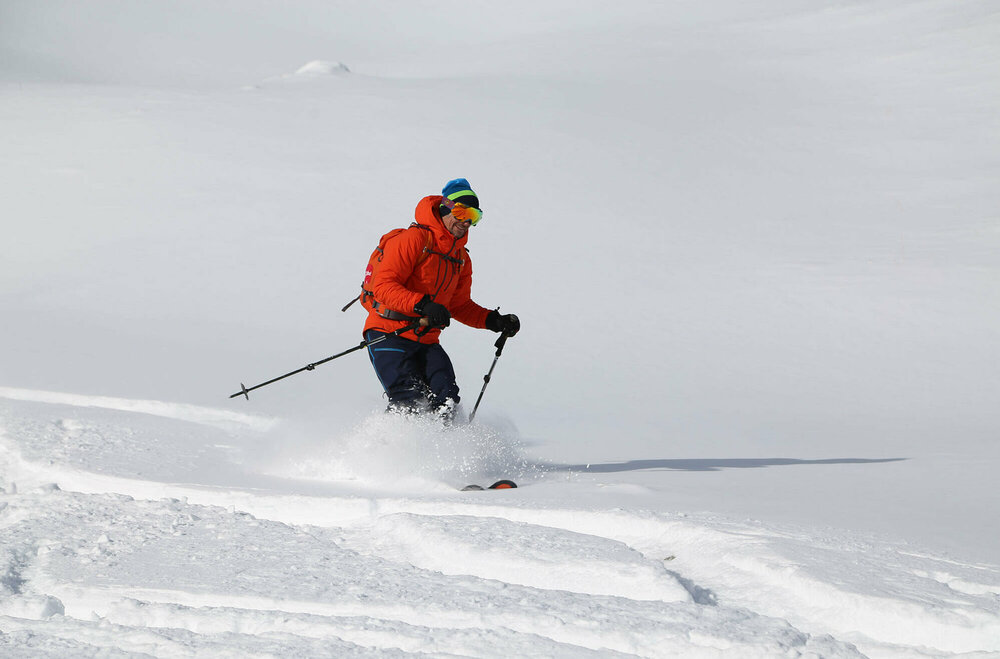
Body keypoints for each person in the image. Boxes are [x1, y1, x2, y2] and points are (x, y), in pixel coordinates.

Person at [362, 178, 520, 419]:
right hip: (388, 332)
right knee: (409, 400)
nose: (466, 222)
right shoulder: (413, 240)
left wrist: (493, 320)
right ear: (445, 208)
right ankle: (388, 441)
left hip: (426, 340)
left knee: (446, 401)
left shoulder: (461, 258)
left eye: (474, 216)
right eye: (462, 212)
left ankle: (445, 444)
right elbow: (383, 287)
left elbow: (459, 305)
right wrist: (423, 305)